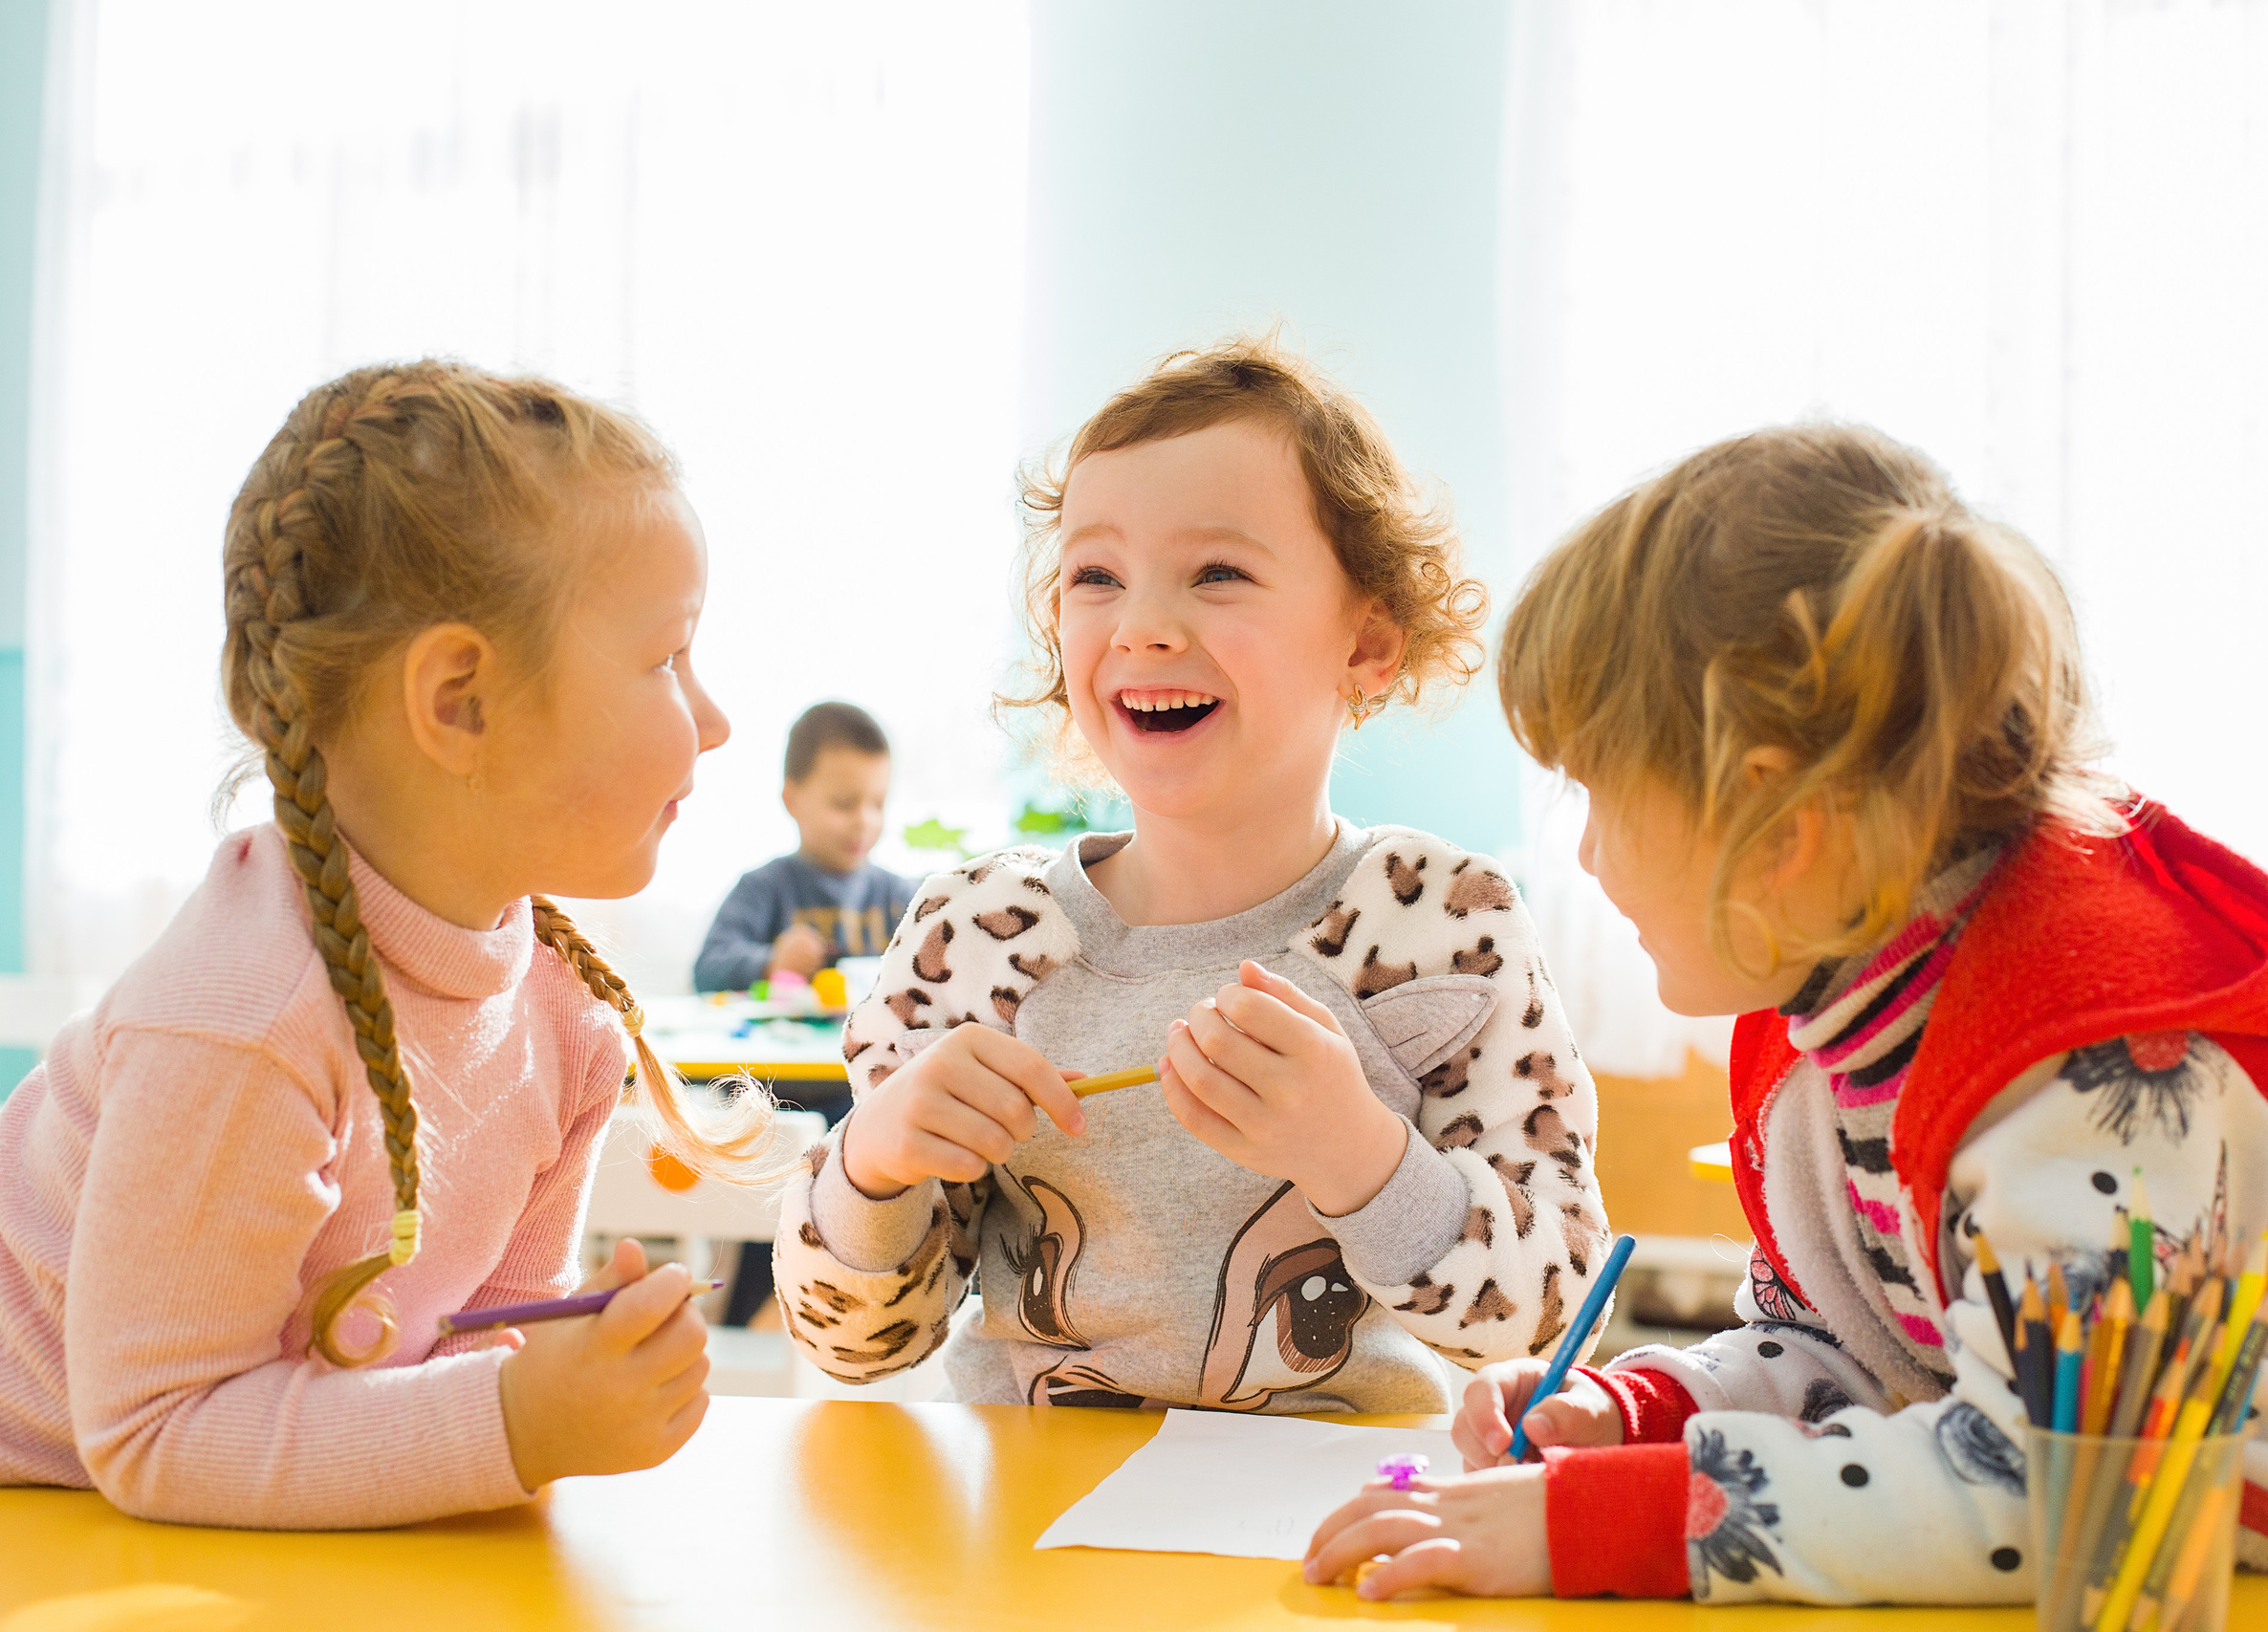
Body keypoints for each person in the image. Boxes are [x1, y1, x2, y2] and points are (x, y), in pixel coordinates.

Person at [1301, 424, 2268, 1600]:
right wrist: (1639, 1407)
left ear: (1776, 830)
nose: (1584, 855)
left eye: (1597, 794)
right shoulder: (1825, 1021)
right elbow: (1860, 1360)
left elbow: (2039, 1482)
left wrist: (1608, 1523)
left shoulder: (2095, 1061)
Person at [0, 361, 775, 1528]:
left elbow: (484, 1335)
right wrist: (516, 1423)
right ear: (460, 699)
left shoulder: (565, 1017)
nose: (713, 719)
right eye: (668, 659)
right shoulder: (242, 1019)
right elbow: (157, 1433)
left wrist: (566, 1371)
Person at [773, 337, 1613, 1410]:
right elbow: (854, 1349)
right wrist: (872, 1164)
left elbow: (1554, 1317)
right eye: (1095, 576)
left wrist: (1360, 1158)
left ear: (1367, 643)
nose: (1143, 626)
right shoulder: (975, 931)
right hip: (1031, 1541)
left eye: (1216, 572)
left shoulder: (1443, 925)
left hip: (1326, 1534)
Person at [691, 701, 914, 994]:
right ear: (792, 800)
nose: (864, 821)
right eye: (844, 804)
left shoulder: (899, 896)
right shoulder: (763, 887)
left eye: (877, 804)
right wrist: (770, 963)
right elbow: (707, 970)